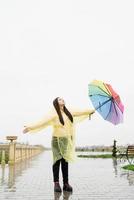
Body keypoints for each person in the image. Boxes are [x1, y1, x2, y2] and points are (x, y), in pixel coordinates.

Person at [23, 97, 95, 193]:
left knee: (65, 161)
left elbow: (81, 111)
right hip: (56, 140)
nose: (63, 100)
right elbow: (42, 122)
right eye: (60, 99)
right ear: (56, 103)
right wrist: (30, 127)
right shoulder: (54, 114)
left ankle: (66, 183)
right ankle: (56, 184)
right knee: (57, 160)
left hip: (66, 140)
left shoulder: (69, 111)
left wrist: (92, 110)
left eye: (62, 99)